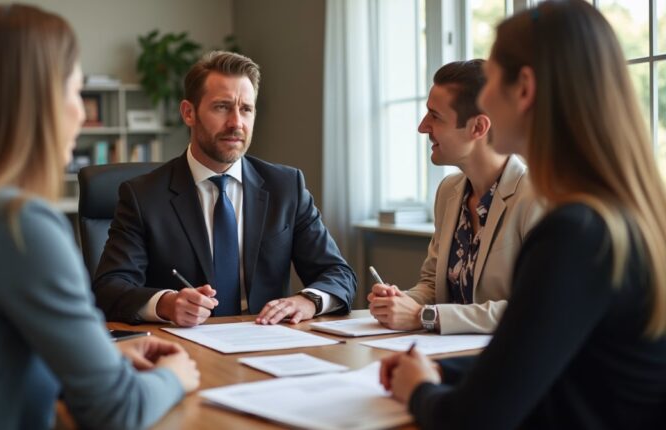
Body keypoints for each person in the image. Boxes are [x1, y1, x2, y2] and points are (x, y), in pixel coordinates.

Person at [0, 5, 199, 429]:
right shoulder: (17, 225)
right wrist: (174, 378)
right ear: (37, 103)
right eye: (74, 93)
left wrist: (104, 357)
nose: (80, 112)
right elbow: (117, 411)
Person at [380, 1, 666, 428]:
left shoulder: (574, 233)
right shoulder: (618, 214)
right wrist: (443, 371)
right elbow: (549, 361)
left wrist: (419, 390)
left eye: (492, 77)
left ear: (525, 88)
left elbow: (474, 421)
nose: (487, 99)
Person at [92, 51, 356, 327]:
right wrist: (166, 303)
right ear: (188, 113)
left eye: (246, 109)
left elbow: (339, 273)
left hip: (269, 342)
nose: (236, 123)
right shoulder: (143, 195)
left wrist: (308, 300)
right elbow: (109, 288)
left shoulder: (286, 187)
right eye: (221, 107)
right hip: (185, 348)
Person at [368, 60, 542, 334]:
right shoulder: (449, 190)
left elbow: (534, 308)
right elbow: (432, 284)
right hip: (446, 356)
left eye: (435, 116)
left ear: (478, 128)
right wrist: (401, 302)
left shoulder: (537, 197)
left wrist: (425, 316)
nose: (423, 127)